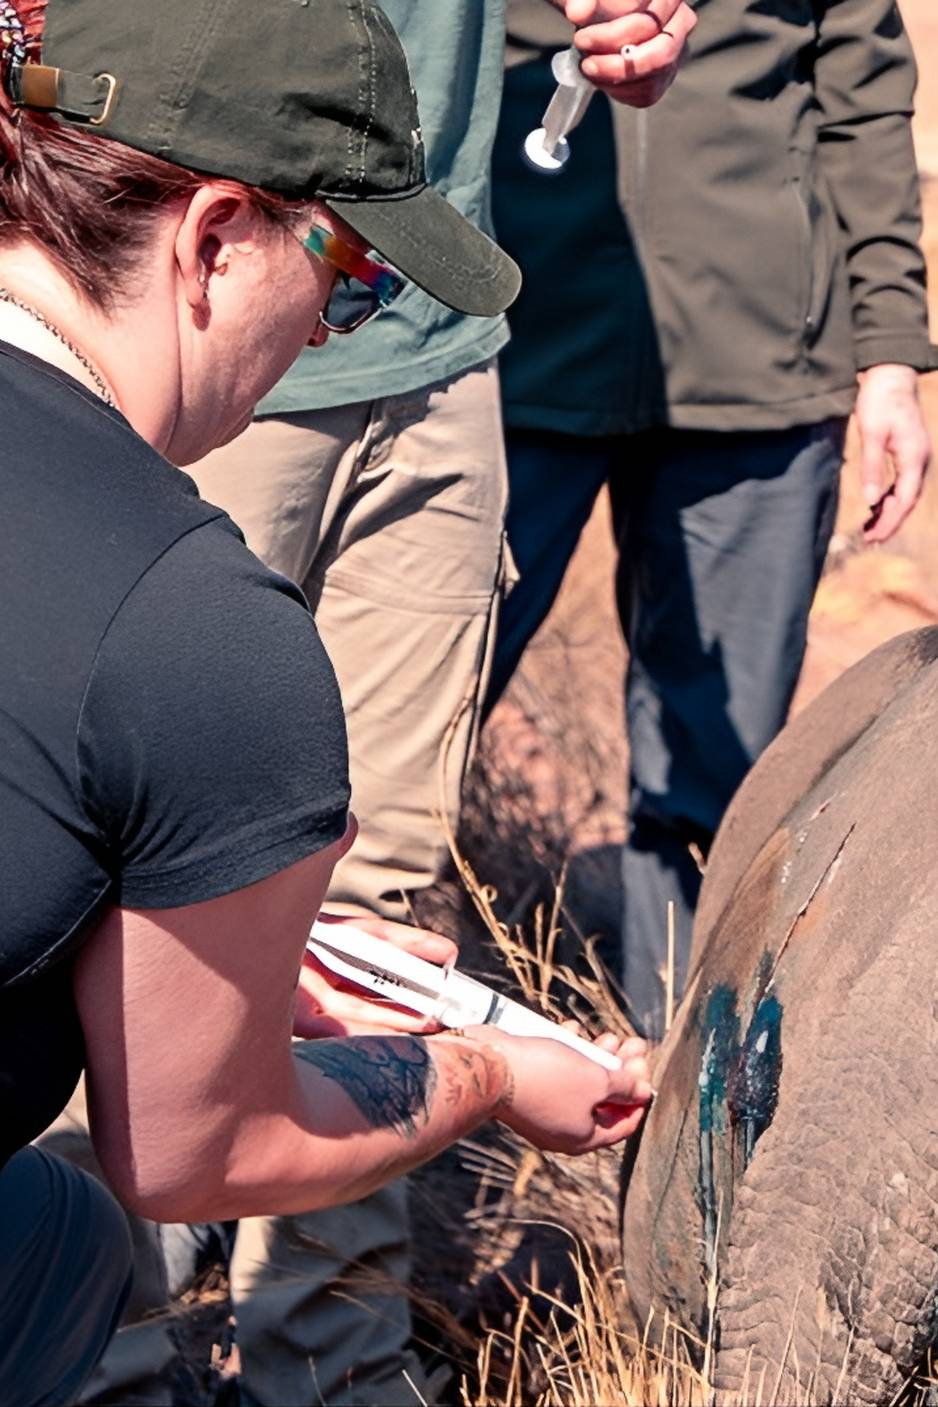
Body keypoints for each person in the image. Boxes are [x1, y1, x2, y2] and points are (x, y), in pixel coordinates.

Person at [0, 3, 656, 1404]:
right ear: (216, 236)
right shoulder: (194, 628)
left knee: (46, 1226)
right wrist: (483, 1070)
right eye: (348, 276)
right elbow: (191, 1147)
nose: (333, 328)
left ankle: (319, 1362)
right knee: (68, 1222)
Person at [485, 0, 936, 1038]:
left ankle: (668, 1078)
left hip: (759, 368)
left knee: (711, 777)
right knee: (413, 730)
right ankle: (331, 1069)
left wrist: (886, 357)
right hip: (505, 348)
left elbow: (863, 107)